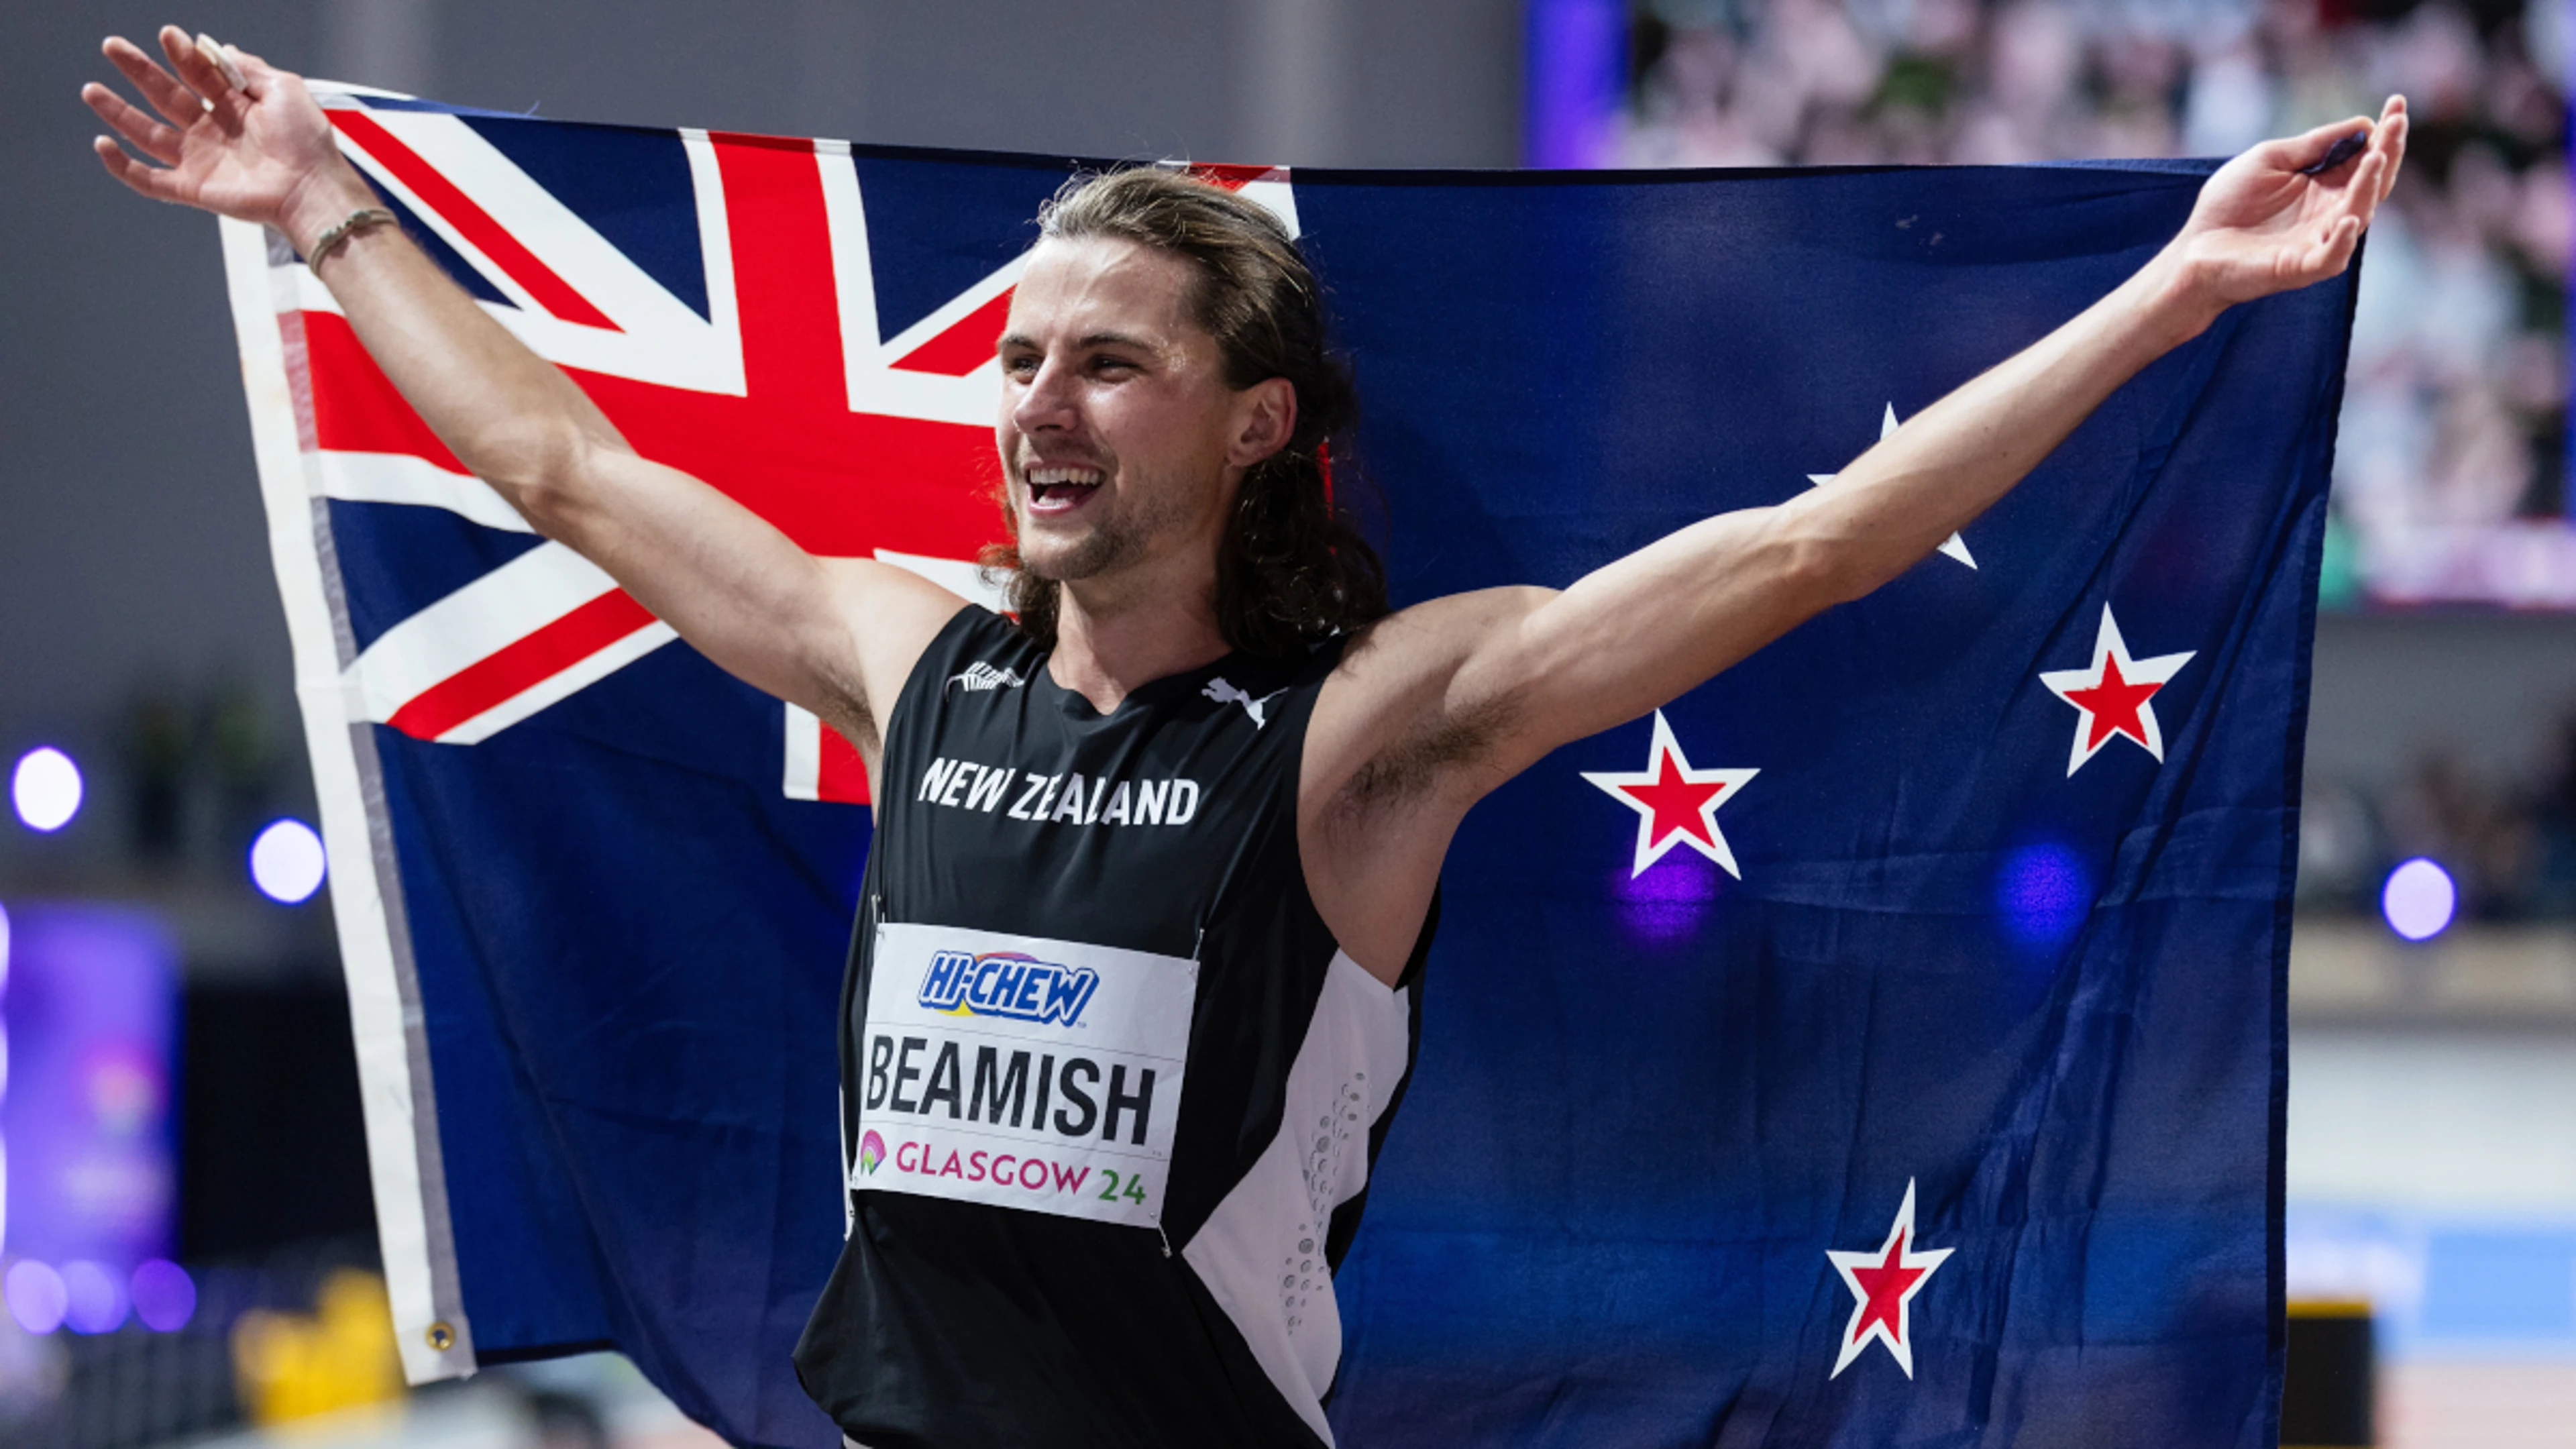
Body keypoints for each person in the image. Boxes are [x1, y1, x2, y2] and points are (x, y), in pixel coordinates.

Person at [84, 26, 2405, 1448]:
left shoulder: (1360, 738)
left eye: (1107, 361)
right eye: (1018, 361)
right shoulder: (914, 663)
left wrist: (2175, 288)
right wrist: (328, 221)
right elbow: (576, 474)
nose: (1035, 407)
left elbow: (1806, 549)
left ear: (1257, 420)